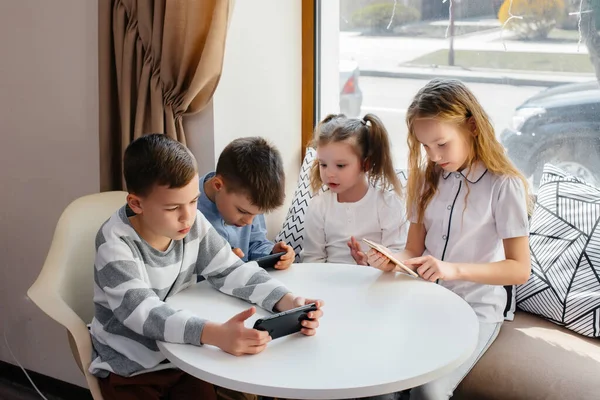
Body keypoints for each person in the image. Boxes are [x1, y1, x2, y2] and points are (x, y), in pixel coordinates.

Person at [89, 134, 324, 400]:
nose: (188, 215)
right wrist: (215, 334)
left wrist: (286, 300)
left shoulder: (193, 224)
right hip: (130, 366)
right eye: (173, 207)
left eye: (193, 201)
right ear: (136, 204)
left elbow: (231, 269)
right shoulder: (114, 244)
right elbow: (143, 312)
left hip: (184, 357)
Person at [367, 79, 532, 400]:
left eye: (441, 144)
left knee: (428, 392)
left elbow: (519, 269)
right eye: (425, 146)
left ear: (471, 126)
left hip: (477, 308)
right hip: (425, 301)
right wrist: (393, 261)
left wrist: (451, 270)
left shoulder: (504, 185)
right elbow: (414, 249)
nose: (433, 155)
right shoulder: (425, 179)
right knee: (381, 385)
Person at [302, 113, 407, 265]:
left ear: (366, 164)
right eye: (323, 164)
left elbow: (396, 259)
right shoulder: (318, 205)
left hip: (375, 283)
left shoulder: (388, 204)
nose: (329, 173)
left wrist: (369, 264)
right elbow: (312, 258)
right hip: (327, 284)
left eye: (340, 166)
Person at [199, 137, 294, 269]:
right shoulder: (186, 210)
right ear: (218, 185)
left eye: (256, 215)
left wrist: (273, 253)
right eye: (242, 211)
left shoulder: (249, 202)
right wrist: (215, 264)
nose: (249, 221)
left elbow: (256, 243)